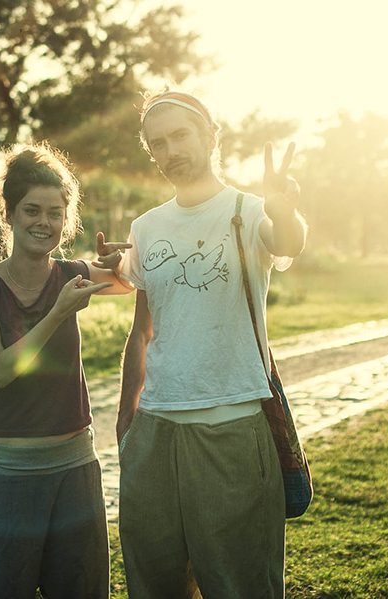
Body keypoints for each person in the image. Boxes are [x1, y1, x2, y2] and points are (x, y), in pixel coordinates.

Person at [111, 89, 307, 598]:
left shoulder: (250, 210)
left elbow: (287, 241)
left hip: (231, 426)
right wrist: (126, 417)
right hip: (154, 432)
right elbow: (143, 328)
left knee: (239, 584)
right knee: (155, 584)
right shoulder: (146, 227)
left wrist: (285, 209)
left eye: (180, 135)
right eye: (158, 143)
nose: (171, 151)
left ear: (210, 136)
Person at [0, 142, 132, 598]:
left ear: (66, 220)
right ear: (8, 213)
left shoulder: (73, 273)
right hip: (8, 477)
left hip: (75, 469)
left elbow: (131, 281)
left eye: (55, 213)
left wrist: (118, 263)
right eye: (32, 210)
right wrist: (58, 312)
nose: (44, 223)